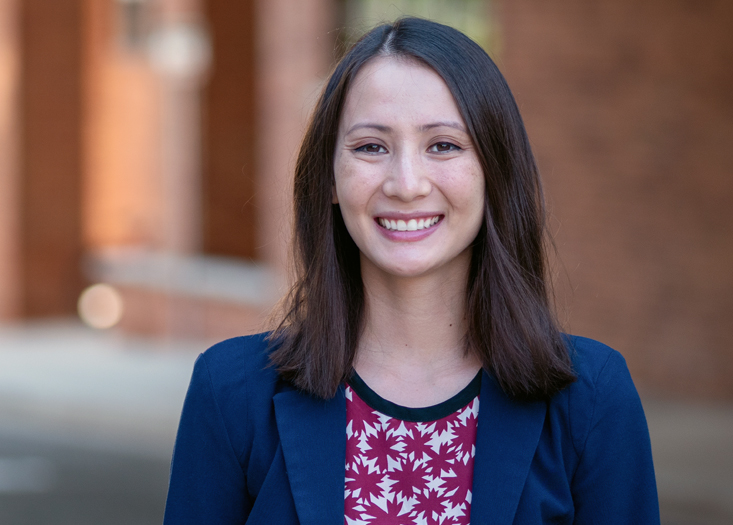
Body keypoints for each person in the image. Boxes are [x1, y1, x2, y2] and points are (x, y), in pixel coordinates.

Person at [164, 17, 658, 525]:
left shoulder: (591, 398)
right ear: (330, 178)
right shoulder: (230, 393)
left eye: (443, 144)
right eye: (371, 147)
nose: (406, 183)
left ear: (494, 170)